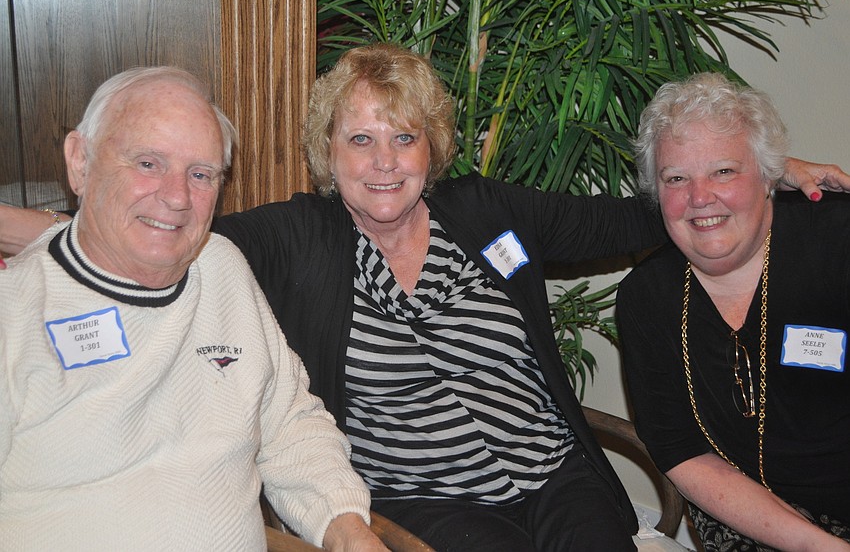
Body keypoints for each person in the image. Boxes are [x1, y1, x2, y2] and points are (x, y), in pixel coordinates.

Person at [2, 45, 849, 551]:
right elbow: (157, 227)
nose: (382, 160)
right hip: (428, 500)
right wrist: (39, 224)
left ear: (431, 146)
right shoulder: (294, 238)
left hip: (556, 472)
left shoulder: (487, 214)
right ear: (326, 153)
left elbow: (658, 207)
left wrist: (775, 171)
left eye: (403, 137)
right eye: (359, 139)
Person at [0, 66, 388, 552]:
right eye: (148, 163)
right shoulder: (14, 311)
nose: (177, 197)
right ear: (80, 161)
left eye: (200, 174)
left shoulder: (221, 268)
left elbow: (289, 424)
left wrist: (346, 529)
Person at [617, 72, 850, 551]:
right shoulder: (648, 298)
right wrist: (815, 545)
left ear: (771, 175)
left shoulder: (837, 242)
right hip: (749, 519)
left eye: (724, 171)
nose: (700, 198)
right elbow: (680, 450)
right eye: (676, 178)